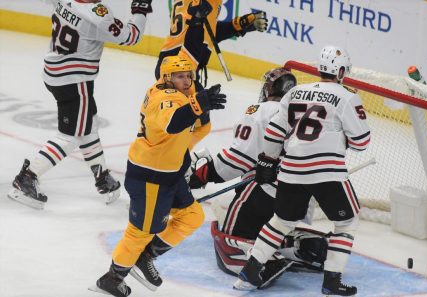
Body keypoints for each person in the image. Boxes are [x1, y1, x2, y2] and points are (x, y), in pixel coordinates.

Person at [233, 45, 371, 296]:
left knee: (281, 220)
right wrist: (341, 136)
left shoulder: (296, 92)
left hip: (292, 168)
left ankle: (250, 272)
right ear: (340, 71)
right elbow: (362, 142)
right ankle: (332, 281)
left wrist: (267, 161)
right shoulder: (347, 95)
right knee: (347, 221)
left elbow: (274, 132)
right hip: (327, 171)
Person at [92, 55, 227, 297]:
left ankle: (145, 257)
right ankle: (112, 278)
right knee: (139, 232)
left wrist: (200, 104)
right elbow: (174, 123)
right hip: (150, 178)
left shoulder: (182, 92)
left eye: (188, 75)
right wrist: (199, 104)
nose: (186, 81)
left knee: (192, 216)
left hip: (170, 175)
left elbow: (201, 127)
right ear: (166, 78)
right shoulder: (163, 98)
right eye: (179, 76)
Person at [7, 0, 153, 209]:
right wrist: (140, 9)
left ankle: (101, 176)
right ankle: (27, 178)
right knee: (70, 136)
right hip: (75, 81)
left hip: (54, 73)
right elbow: (131, 37)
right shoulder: (98, 15)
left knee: (87, 124)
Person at [188, 68, 328, 286]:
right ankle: (306, 247)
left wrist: (203, 174)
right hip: (304, 195)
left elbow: (238, 160)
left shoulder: (261, 110)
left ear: (269, 88)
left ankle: (261, 262)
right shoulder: (305, 112)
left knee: (226, 237)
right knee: (275, 227)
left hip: (268, 191)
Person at [155, 0, 268, 87]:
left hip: (176, 61)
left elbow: (207, 33)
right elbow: (197, 32)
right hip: (181, 64)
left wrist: (239, 25)